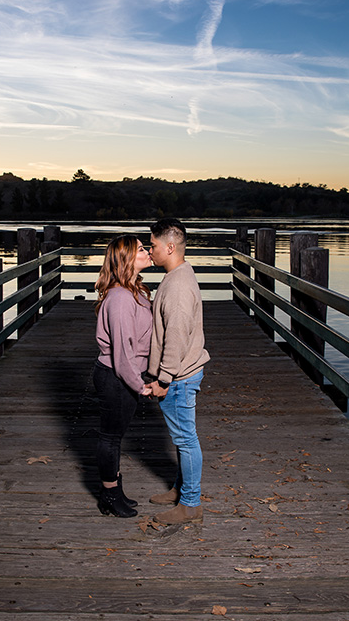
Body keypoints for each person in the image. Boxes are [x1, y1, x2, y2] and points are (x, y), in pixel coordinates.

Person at [145, 218, 211, 525]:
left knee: (186, 439)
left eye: (154, 245)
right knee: (182, 438)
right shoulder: (178, 276)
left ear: (170, 247)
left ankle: (191, 504)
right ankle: (181, 489)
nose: (150, 250)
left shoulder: (179, 285)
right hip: (181, 374)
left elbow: (176, 336)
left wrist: (163, 379)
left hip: (179, 378)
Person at [92, 234, 153, 517]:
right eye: (141, 249)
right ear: (127, 258)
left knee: (115, 436)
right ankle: (109, 495)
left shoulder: (135, 292)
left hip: (126, 375)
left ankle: (116, 491)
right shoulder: (120, 298)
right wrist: (140, 386)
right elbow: (123, 353)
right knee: (110, 438)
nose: (148, 251)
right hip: (117, 377)